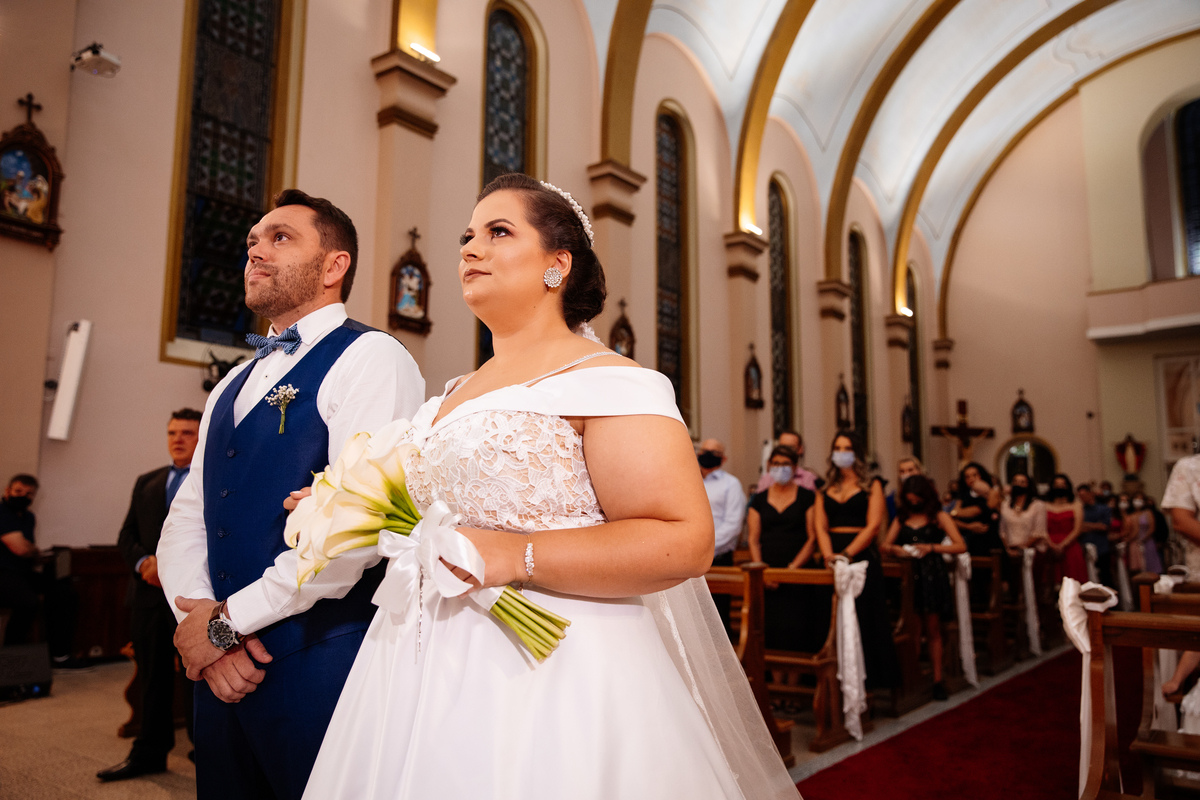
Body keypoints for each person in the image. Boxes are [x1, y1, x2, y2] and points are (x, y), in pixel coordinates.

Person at [302, 174, 797, 799]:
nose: (470, 249)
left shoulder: (611, 381)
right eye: (467, 236)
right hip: (417, 665)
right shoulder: (450, 394)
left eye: (498, 232)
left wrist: (519, 554)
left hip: (557, 665)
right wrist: (360, 510)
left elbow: (685, 541)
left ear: (557, 265)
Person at [156, 189, 425, 800]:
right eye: (253, 240)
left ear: (335, 266)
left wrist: (226, 628)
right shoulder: (230, 382)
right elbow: (189, 515)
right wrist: (198, 621)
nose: (256, 250)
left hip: (320, 657)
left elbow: (354, 535)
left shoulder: (371, 358)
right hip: (220, 666)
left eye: (281, 238)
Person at [99, 409, 203, 782]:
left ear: (201, 434)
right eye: (172, 432)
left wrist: (174, 565)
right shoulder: (148, 481)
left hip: (192, 597)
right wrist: (145, 562)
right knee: (152, 676)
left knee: (198, 676)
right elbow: (126, 535)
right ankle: (149, 752)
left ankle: (203, 749)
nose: (178, 439)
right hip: (147, 595)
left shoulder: (212, 477)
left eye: (187, 433)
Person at [814, 431, 901, 690]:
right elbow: (820, 526)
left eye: (847, 448)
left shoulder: (872, 484)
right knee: (829, 618)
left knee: (865, 618)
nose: (842, 453)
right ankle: (833, 681)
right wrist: (830, 556)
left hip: (860, 555)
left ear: (857, 453)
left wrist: (848, 554)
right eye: (837, 448)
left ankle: (871, 682)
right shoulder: (824, 488)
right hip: (832, 556)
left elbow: (873, 525)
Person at [882, 474, 964, 701]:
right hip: (909, 579)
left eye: (917, 497)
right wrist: (895, 550)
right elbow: (885, 544)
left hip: (932, 576)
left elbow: (960, 546)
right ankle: (913, 677)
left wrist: (931, 547)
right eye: (909, 497)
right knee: (913, 631)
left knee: (934, 630)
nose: (913, 501)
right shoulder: (901, 517)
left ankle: (938, 679)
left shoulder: (938, 516)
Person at [748, 446, 821, 686]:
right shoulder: (759, 499)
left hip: (798, 571)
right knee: (773, 630)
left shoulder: (807, 497)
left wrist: (791, 570)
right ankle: (778, 688)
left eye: (786, 464)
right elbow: (753, 538)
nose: (780, 468)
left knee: (797, 629)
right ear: (769, 467)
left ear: (795, 467)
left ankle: (795, 685)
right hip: (767, 573)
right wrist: (762, 570)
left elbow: (812, 537)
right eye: (776, 463)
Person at [0, 474, 78, 666]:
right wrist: (31, 550)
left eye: (29, 494)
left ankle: (59, 655)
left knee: (64, 592)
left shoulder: (29, 517)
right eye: (18, 491)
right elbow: (20, 548)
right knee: (27, 602)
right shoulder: (2, 513)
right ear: (7, 491)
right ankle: (10, 659)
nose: (23, 496)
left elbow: (28, 549)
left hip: (22, 572)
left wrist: (31, 550)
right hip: (3, 572)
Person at [698, 438, 745, 637]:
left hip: (719, 558)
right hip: (689, 557)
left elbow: (733, 525)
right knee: (695, 615)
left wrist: (705, 547)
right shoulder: (689, 479)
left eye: (714, 451)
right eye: (704, 450)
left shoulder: (731, 484)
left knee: (718, 616)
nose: (707, 453)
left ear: (723, 458)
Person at [949, 462, 1002, 556]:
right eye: (967, 477)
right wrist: (969, 526)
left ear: (981, 475)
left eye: (975, 475)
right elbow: (953, 518)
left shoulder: (993, 492)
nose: (971, 479)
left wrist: (959, 512)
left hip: (991, 540)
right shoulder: (962, 496)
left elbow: (981, 509)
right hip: (971, 541)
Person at [1045, 473, 1087, 585]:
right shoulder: (1045, 505)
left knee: (1073, 582)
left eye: (1063, 485)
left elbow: (1077, 529)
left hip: (1070, 547)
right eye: (1057, 485)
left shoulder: (1076, 505)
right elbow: (1042, 528)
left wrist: (1063, 545)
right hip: (1049, 546)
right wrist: (1051, 544)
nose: (1060, 487)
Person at [1077, 483, 1113, 587]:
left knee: (1105, 577)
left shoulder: (1103, 508)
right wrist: (1095, 526)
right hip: (1085, 547)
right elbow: (1079, 528)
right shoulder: (1081, 510)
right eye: (1080, 496)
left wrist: (1087, 525)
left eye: (1083, 495)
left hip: (1101, 548)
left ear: (1090, 494)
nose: (1082, 498)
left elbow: (1104, 526)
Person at [1122, 491, 1163, 574]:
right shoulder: (1131, 515)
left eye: (1140, 499)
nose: (1137, 501)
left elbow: (1152, 528)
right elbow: (1132, 530)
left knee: (1151, 567)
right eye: (1136, 499)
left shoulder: (1148, 513)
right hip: (1135, 543)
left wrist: (1142, 539)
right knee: (1137, 569)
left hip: (1147, 541)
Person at [885, 455, 924, 521]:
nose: (906, 474)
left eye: (910, 470)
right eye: (902, 471)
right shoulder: (892, 499)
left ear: (918, 471)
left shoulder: (928, 495)